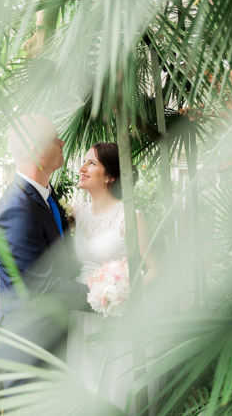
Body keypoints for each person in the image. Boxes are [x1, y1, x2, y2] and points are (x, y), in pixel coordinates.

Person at [0, 114, 87, 389]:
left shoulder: (44, 196)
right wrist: (100, 295)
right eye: (55, 140)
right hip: (29, 347)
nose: (62, 142)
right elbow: (40, 286)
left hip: (53, 337)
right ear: (36, 152)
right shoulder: (16, 211)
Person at [67, 142, 157, 412]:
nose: (82, 168)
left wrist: (126, 293)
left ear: (110, 176)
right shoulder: (76, 213)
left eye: (91, 163)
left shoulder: (131, 216)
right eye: (83, 162)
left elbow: (155, 267)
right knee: (85, 384)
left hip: (117, 315)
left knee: (113, 386)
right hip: (81, 312)